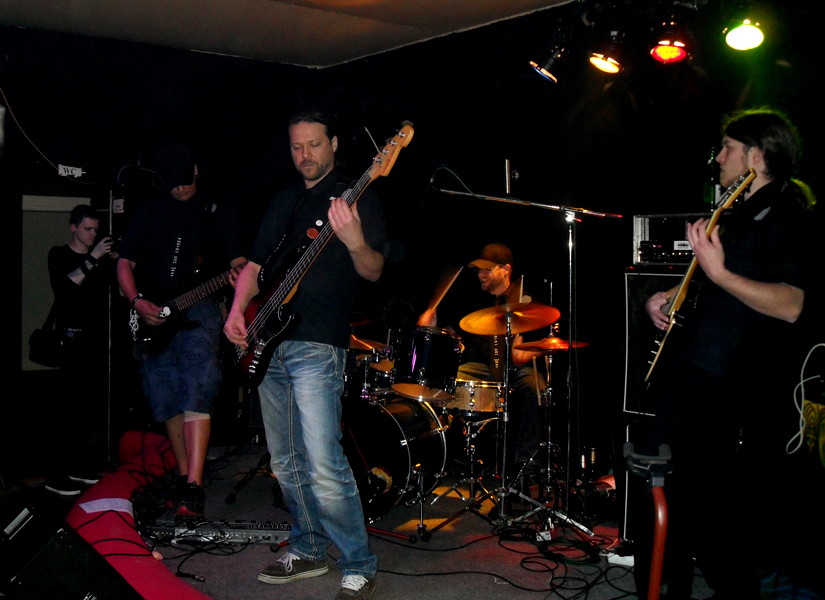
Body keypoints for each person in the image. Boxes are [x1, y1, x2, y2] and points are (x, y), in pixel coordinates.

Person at [632, 109, 814, 599]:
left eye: (728, 148)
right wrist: (668, 295)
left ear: (757, 155)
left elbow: (792, 304)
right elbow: (716, 281)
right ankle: (682, 585)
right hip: (697, 365)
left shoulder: (787, 215)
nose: (718, 158)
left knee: (691, 487)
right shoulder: (737, 211)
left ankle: (713, 586)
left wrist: (719, 273)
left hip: (728, 377)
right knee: (682, 484)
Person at [224, 110, 386, 600]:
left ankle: (358, 562)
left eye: (314, 144)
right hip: (268, 341)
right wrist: (237, 311)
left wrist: (355, 241)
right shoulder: (286, 200)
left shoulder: (358, 197)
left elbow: (374, 270)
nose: (305, 155)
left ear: (333, 144)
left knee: (323, 461)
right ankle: (309, 548)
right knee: (286, 461)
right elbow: (256, 265)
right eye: (297, 147)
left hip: (318, 342)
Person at [117, 144, 246, 517]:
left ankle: (195, 484)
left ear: (196, 171)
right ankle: (184, 475)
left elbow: (240, 263)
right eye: (174, 184)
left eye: (186, 180)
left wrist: (240, 278)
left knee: (197, 387)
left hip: (200, 309)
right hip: (154, 315)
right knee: (165, 394)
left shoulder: (216, 212)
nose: (182, 188)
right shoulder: (149, 213)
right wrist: (138, 301)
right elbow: (124, 264)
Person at [417, 243, 546, 487]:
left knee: (536, 388)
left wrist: (527, 352)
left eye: (487, 270)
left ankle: (526, 462)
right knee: (442, 382)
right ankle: (432, 457)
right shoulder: (474, 300)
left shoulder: (526, 300)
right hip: (484, 368)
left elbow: (539, 346)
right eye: (478, 270)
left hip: (517, 369)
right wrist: (432, 327)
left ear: (506, 269)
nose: (480, 275)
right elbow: (454, 333)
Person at [45, 204, 115, 495]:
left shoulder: (100, 261)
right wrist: (94, 257)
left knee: (85, 408)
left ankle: (76, 466)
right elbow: (66, 289)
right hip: (70, 340)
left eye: (96, 229)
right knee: (67, 409)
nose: (92, 234)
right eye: (87, 229)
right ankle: (55, 475)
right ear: (73, 227)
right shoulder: (59, 254)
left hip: (93, 341)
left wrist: (115, 260)